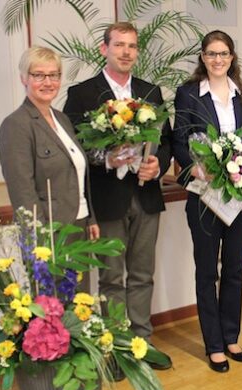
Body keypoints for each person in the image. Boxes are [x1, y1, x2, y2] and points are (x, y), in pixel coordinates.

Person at [63, 22, 172, 370]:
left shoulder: (151, 92)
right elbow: (75, 149)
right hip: (107, 200)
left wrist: (158, 163)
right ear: (104, 49)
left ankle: (142, 344)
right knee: (110, 279)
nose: (126, 52)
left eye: (132, 46)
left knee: (143, 275)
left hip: (146, 196)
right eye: (119, 45)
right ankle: (114, 349)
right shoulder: (82, 94)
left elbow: (165, 142)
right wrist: (105, 158)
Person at [172, 30, 242, 373]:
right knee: (207, 271)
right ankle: (214, 344)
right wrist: (195, 166)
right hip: (204, 195)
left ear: (232, 57)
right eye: (211, 54)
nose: (217, 60)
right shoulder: (189, 94)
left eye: (223, 54)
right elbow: (179, 140)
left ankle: (231, 336)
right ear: (203, 57)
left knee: (235, 269)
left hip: (238, 196)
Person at [0, 46, 99, 251]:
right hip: (50, 232)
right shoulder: (16, 125)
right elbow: (22, 191)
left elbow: (78, 173)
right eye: (39, 75)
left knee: (80, 284)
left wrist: (90, 218)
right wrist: (38, 237)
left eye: (54, 75)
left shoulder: (62, 119)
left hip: (78, 224)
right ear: (24, 78)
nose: (48, 82)